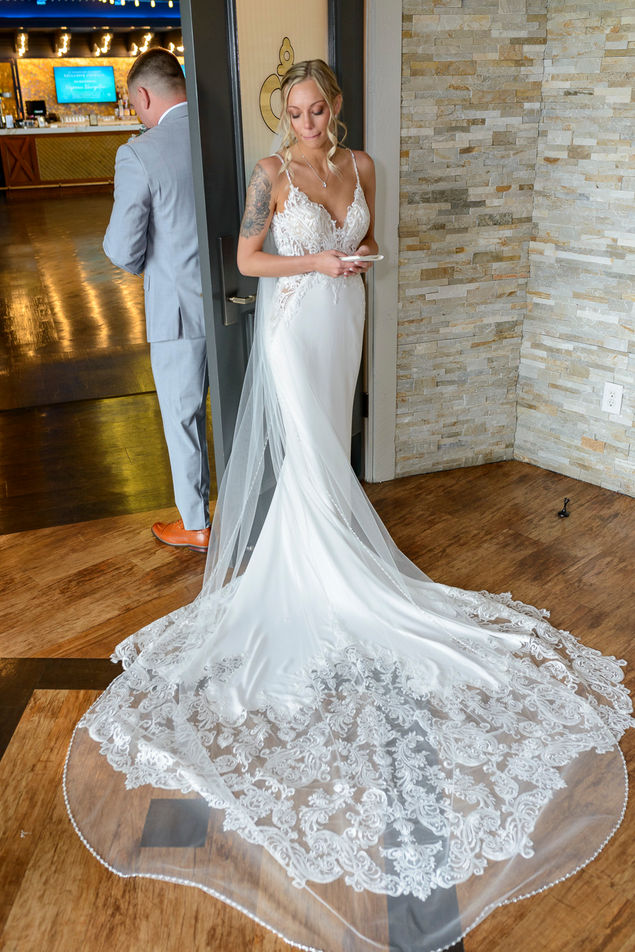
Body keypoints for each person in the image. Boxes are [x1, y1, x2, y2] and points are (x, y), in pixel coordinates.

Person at [65, 60, 633, 952]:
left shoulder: (362, 166)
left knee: (335, 449)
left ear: (337, 107)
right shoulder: (270, 174)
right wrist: (317, 259)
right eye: (293, 113)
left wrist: (352, 260)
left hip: (347, 315)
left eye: (317, 109)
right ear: (281, 117)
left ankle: (340, 561)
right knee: (311, 461)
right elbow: (248, 259)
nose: (307, 124)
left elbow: (378, 242)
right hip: (294, 323)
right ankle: (319, 575)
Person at [103, 47, 211, 554]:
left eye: (133, 103)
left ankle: (196, 522)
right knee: (239, 408)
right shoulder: (226, 133)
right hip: (241, 299)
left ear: (144, 95)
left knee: (183, 416)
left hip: (177, 310)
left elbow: (123, 250)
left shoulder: (140, 153)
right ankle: (250, 508)